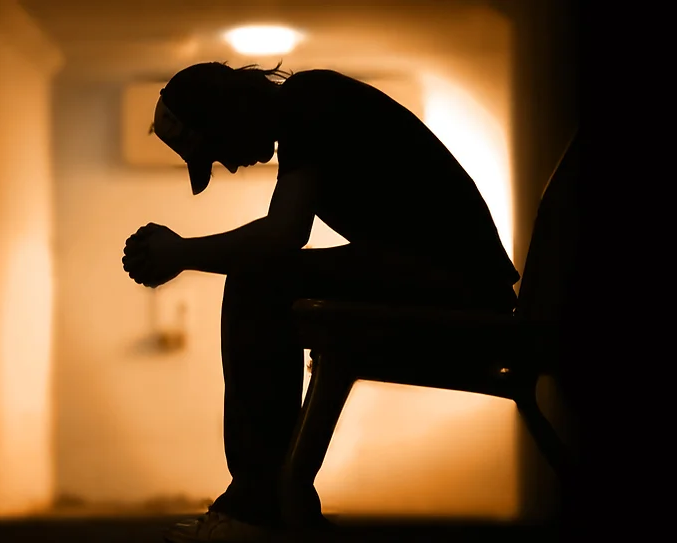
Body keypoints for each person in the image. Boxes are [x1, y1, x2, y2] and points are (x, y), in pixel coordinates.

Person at [122, 62, 519, 543]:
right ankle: (272, 500)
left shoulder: (309, 101)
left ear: (226, 114)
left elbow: (283, 234)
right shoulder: (307, 105)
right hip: (460, 287)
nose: (226, 165)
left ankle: (257, 508)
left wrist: (179, 253)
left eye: (214, 150)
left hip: (466, 296)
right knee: (265, 277)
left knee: (258, 279)